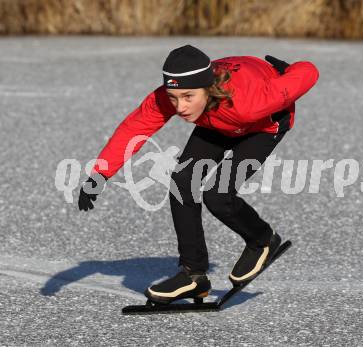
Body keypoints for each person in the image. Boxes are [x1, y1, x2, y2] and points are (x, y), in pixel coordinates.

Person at [78, 44, 319, 304]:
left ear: (208, 87)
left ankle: (262, 240)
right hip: (215, 121)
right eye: (174, 97)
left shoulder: (251, 101)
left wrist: (288, 71)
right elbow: (134, 128)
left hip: (263, 125)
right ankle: (193, 275)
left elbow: (309, 72)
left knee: (218, 194)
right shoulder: (176, 96)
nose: (180, 106)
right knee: (183, 182)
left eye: (188, 96)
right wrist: (100, 173)